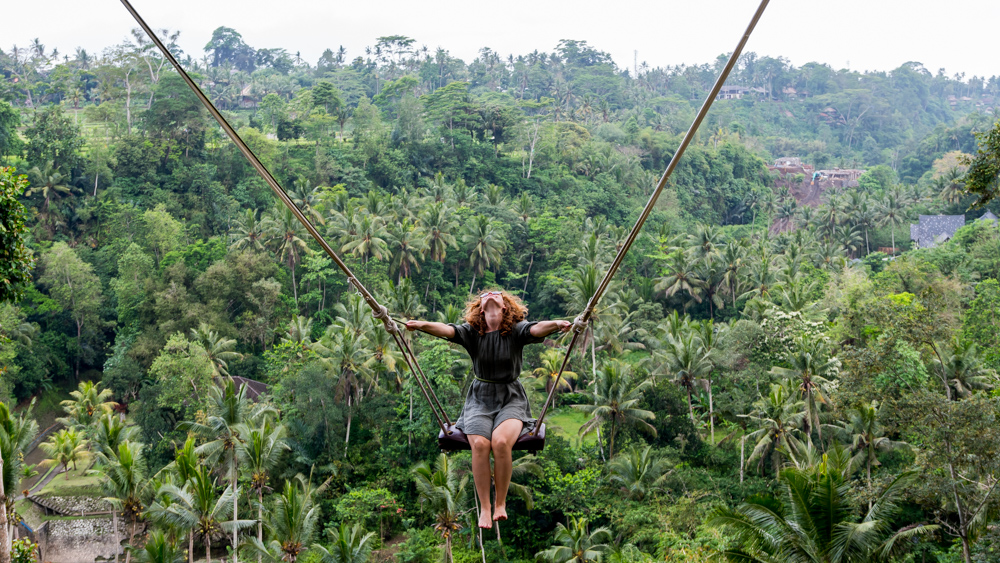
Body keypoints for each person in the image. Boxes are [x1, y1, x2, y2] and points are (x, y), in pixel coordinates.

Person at [406, 289, 570, 528]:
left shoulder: (516, 330)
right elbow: (446, 330)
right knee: (481, 444)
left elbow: (536, 329)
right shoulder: (472, 333)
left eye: (497, 294)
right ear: (481, 308)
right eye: (487, 295)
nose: (492, 295)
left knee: (501, 442)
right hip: (480, 399)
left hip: (511, 397)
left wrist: (556, 324)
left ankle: (499, 503)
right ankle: (485, 508)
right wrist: (420, 324)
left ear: (505, 307)